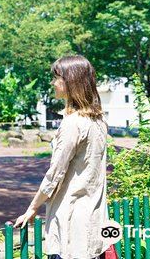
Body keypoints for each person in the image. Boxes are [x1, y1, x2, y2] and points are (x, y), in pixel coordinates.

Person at [14, 55, 110, 259]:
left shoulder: (73, 123)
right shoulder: (99, 121)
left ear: (71, 82)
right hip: (94, 223)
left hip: (70, 226)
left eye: (57, 77)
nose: (53, 83)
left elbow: (54, 174)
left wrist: (32, 207)